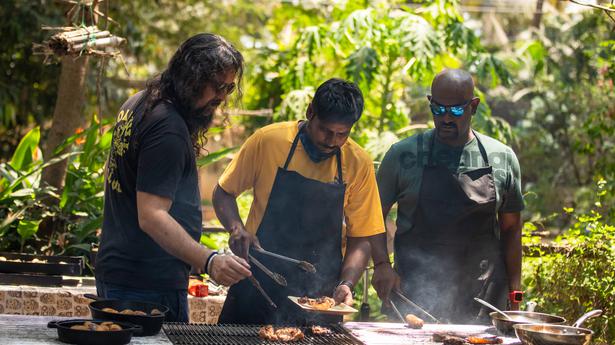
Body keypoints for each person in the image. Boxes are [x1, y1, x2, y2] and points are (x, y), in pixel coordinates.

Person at [212, 78, 396, 325]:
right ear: (311, 111)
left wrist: (346, 283)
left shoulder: (357, 162)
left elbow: (361, 238)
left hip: (320, 294)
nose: (331, 141)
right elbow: (223, 192)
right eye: (325, 130)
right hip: (258, 282)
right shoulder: (269, 141)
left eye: (342, 134)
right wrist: (236, 228)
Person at [95, 33, 252, 322]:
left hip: (123, 273)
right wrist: (209, 260)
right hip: (147, 284)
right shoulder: (168, 127)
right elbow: (151, 216)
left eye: (229, 88)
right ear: (191, 79)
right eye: (217, 87)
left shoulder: (138, 103)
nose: (222, 97)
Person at [373, 69, 525, 323]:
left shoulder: (501, 157)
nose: (445, 118)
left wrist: (515, 292)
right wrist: (381, 265)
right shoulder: (403, 155)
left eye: (455, 111)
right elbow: (373, 217)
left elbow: (511, 229)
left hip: (483, 301)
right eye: (437, 109)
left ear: (473, 106)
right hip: (414, 296)